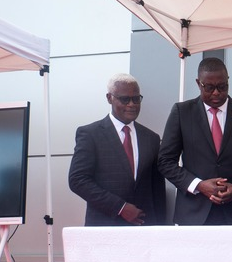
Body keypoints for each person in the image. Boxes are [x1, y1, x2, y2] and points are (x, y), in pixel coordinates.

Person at [158, 57, 232, 225]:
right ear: (198, 83)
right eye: (209, 87)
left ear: (228, 82)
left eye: (222, 86)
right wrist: (199, 185)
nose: (216, 92)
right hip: (192, 212)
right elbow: (165, 162)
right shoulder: (182, 112)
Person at [68, 73, 166, 226]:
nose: (132, 104)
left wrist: (161, 227)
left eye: (136, 99)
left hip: (144, 228)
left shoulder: (151, 138)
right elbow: (78, 180)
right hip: (105, 227)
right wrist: (120, 207)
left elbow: (157, 190)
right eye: (125, 99)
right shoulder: (90, 134)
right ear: (109, 98)